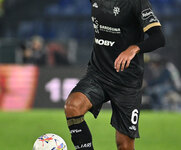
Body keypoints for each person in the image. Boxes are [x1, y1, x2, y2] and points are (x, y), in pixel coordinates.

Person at [64, 0, 165, 150]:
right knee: (72, 107)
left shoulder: (137, 3)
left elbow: (159, 38)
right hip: (98, 74)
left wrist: (134, 48)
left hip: (127, 82)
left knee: (124, 145)